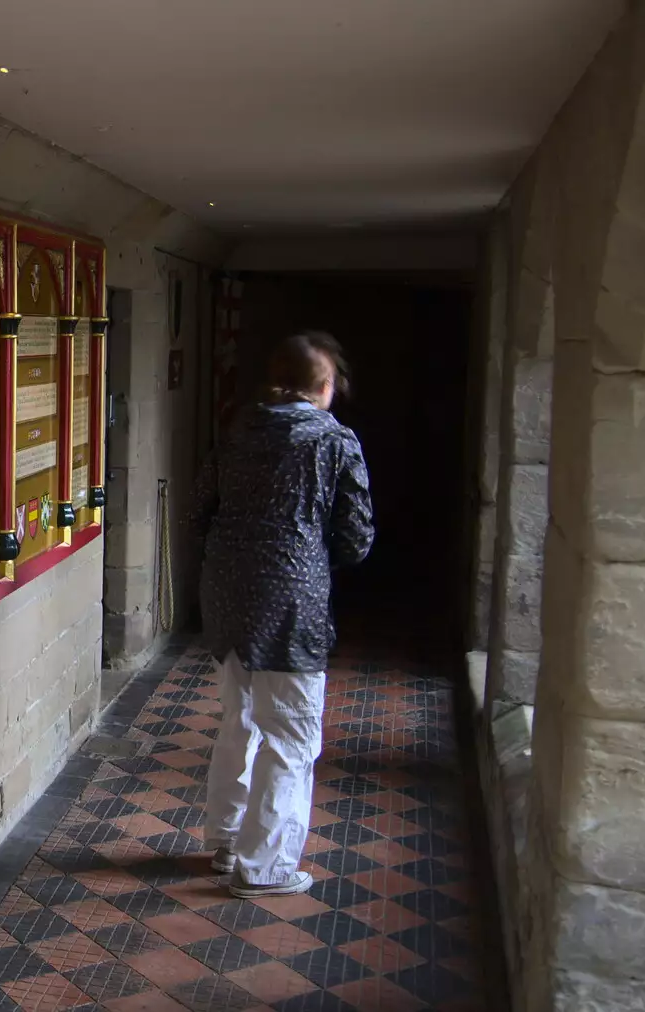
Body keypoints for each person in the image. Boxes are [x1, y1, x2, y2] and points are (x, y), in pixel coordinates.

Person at [191, 331, 375, 898]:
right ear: (324, 387)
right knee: (291, 735)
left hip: (226, 595)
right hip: (290, 604)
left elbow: (200, 510)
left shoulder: (237, 432)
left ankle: (226, 839)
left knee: (238, 717)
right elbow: (356, 538)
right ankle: (264, 866)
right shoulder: (335, 443)